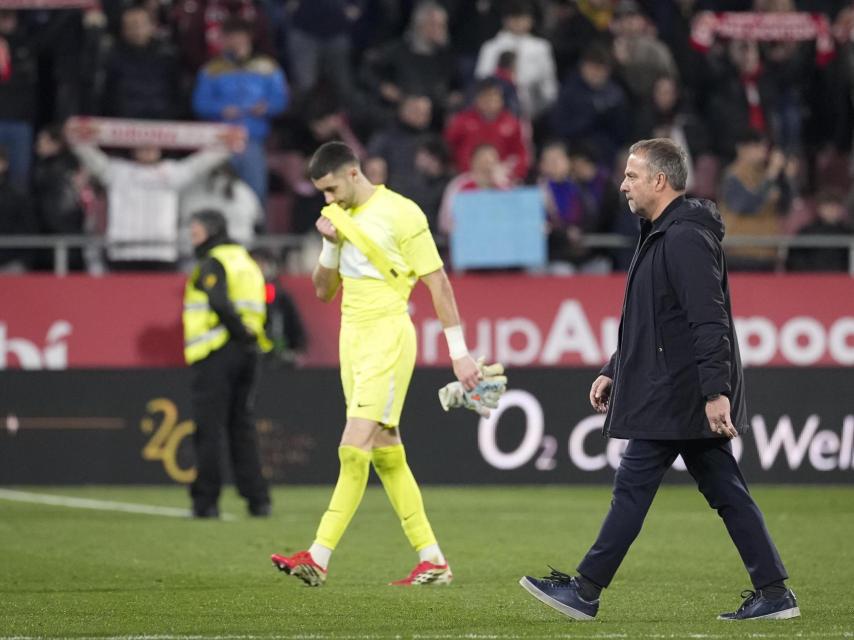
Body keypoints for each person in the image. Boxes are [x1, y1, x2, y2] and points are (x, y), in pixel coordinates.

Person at [519, 138, 799, 622]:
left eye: (631, 175)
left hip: (679, 391)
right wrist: (614, 367)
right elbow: (653, 321)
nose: (623, 184)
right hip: (674, 387)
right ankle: (774, 593)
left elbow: (708, 322)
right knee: (727, 491)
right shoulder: (663, 232)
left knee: (633, 486)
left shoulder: (684, 237)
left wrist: (716, 392)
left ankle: (585, 591)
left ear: (659, 180)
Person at [271, 141, 481, 586]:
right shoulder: (337, 218)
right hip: (353, 338)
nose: (327, 199)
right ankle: (433, 559)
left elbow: (438, 283)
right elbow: (324, 291)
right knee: (385, 449)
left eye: (330, 189)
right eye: (320, 193)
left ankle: (318, 555)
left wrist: (458, 353)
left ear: (352, 173)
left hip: (388, 335)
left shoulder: (403, 213)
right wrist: (329, 245)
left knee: (353, 448)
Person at [183, 209, 272, 518]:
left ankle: (206, 502)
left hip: (217, 350)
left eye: (194, 233)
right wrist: (250, 337)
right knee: (242, 426)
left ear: (209, 232)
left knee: (210, 428)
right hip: (248, 353)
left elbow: (218, 301)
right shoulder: (246, 261)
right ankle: (258, 499)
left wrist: (237, 331)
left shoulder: (214, 262)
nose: (191, 239)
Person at [192, 17, 288, 203]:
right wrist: (221, 109)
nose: (235, 41)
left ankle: (257, 230)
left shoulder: (267, 67)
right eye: (230, 37)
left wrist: (266, 107)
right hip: (221, 140)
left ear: (249, 38)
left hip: (253, 138)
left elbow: (281, 100)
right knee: (218, 191)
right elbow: (200, 103)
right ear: (223, 40)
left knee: (255, 192)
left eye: (240, 37)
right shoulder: (212, 69)